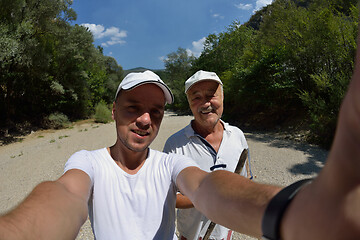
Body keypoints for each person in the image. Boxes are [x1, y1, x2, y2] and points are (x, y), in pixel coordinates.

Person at [1, 37, 360, 238]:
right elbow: (63, 194)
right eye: (132, 107)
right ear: (112, 110)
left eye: (155, 111)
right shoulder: (87, 163)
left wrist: (294, 210)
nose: (145, 119)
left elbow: (208, 187)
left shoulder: (170, 162)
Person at [163, 70, 252, 240]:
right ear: (189, 103)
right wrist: (207, 197)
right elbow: (168, 198)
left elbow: (246, 181)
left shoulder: (238, 136)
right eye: (196, 98)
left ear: (223, 97)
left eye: (211, 95)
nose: (205, 104)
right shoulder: (174, 144)